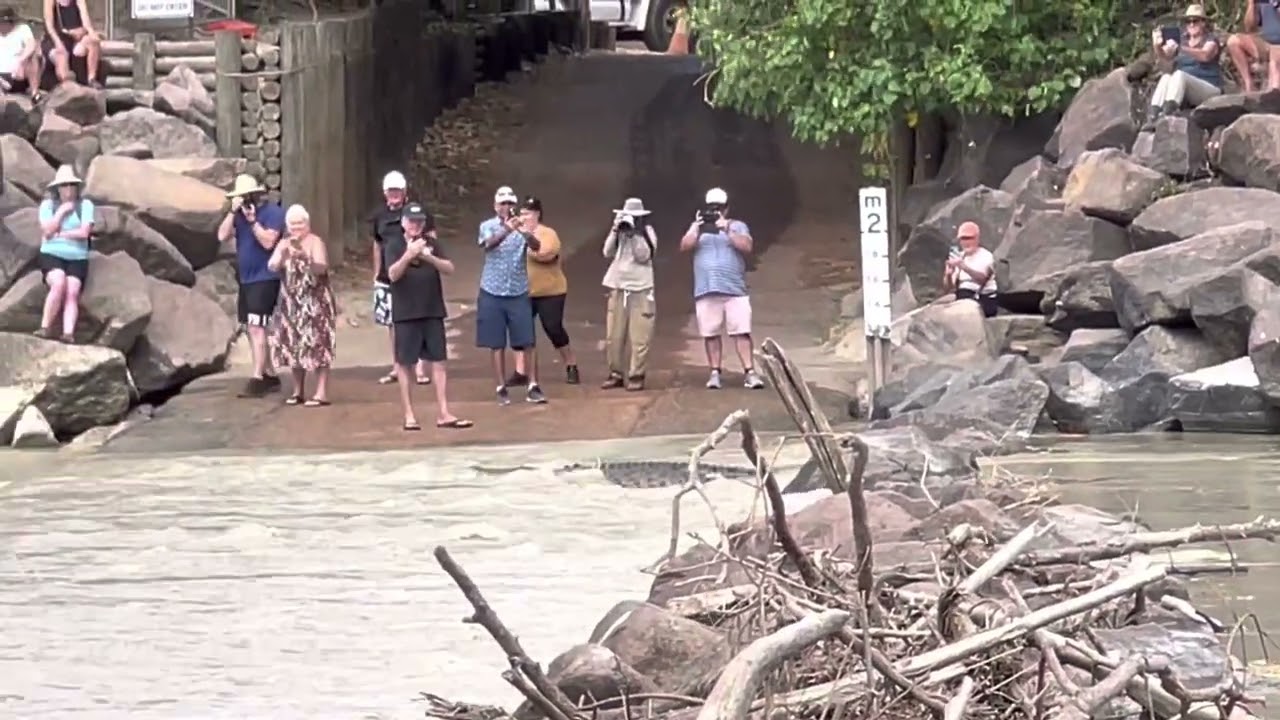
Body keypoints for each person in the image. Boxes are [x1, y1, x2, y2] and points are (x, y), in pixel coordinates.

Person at [386, 202, 472, 431]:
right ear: (403, 222)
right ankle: (409, 414)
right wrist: (409, 255)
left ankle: (444, 412)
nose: (415, 225)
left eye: (419, 222)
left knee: (439, 361)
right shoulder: (393, 244)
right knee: (405, 364)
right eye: (411, 221)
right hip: (405, 313)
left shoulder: (432, 243)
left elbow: (450, 268)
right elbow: (392, 275)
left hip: (432, 310)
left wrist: (428, 257)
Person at [680, 187, 765, 390]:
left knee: (741, 331)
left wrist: (726, 228)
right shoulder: (698, 228)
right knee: (710, 333)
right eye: (711, 208)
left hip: (734, 289)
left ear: (726, 209)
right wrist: (695, 228)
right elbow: (684, 246)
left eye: (718, 208)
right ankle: (715, 372)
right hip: (706, 288)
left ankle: (749, 372)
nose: (715, 211)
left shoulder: (737, 226)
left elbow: (747, 246)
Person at [217, 174, 286, 398]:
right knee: (250, 326)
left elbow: (268, 242)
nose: (245, 201)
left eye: (247, 196)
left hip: (265, 277)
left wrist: (253, 222)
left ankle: (257, 378)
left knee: (258, 326)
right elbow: (221, 236)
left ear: (257, 195)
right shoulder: (237, 215)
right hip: (246, 278)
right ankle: (269, 373)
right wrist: (232, 211)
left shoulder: (273, 213)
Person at [476, 185, 546, 405]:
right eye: (502, 203)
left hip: (517, 291)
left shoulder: (523, 225)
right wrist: (507, 229)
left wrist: (522, 231)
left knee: (528, 340)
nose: (506, 207)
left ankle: (533, 385)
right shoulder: (487, 225)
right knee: (496, 342)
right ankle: (500, 387)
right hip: (492, 291)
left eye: (509, 203)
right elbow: (488, 244)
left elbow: (537, 247)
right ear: (496, 206)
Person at [267, 204, 337, 407]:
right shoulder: (284, 243)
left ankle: (321, 392)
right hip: (291, 304)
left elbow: (322, 267)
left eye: (300, 223)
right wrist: (282, 256)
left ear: (307, 224)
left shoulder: (315, 242)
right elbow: (271, 266)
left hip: (315, 302)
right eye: (292, 224)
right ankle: (298, 391)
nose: (296, 227)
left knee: (319, 344)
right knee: (294, 346)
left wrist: (305, 258)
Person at [508, 195, 580, 387]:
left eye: (528, 214)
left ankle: (570, 364)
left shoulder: (548, 234)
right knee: (519, 329)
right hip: (523, 291)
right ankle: (521, 371)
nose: (524, 218)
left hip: (550, 291)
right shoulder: (513, 234)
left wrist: (525, 236)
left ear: (537, 214)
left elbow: (544, 254)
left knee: (553, 328)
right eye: (522, 214)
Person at [370, 170, 429, 386]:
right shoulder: (379, 216)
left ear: (405, 192)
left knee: (419, 318)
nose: (394, 195)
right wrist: (377, 275)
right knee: (392, 322)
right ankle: (399, 365)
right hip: (388, 276)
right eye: (390, 191)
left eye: (397, 191)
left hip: (414, 274)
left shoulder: (417, 212)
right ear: (385, 193)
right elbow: (377, 244)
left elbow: (430, 238)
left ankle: (420, 367)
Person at [601, 197, 658, 391]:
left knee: (640, 335)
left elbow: (643, 256)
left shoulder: (647, 233)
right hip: (618, 286)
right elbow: (607, 252)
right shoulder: (618, 231)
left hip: (641, 289)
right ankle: (615, 373)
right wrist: (616, 230)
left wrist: (634, 234)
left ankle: (636, 374)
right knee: (614, 335)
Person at [33, 164, 93, 343]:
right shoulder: (48, 206)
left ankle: (68, 333)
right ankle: (45, 327)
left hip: (77, 257)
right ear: (57, 188)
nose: (68, 189)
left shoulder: (85, 205)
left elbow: (84, 233)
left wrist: (63, 234)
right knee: (58, 282)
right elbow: (47, 232)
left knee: (72, 290)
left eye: (71, 185)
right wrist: (61, 212)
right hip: (52, 254)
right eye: (64, 185)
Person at [1147, 5, 1223, 125]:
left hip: (1209, 88)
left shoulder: (1210, 39)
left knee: (1179, 75)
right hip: (1184, 88)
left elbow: (1205, 55)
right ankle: (1153, 115)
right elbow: (1165, 59)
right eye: (1188, 21)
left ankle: (1169, 112)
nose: (1191, 25)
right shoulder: (1182, 39)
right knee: (1166, 77)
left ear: (1203, 23)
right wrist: (1157, 46)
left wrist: (1181, 48)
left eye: (1195, 21)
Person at [942, 221, 998, 318]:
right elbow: (948, 288)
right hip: (963, 297)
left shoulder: (986, 256)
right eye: (963, 239)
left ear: (977, 239)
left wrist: (964, 267)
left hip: (983, 298)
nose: (966, 242)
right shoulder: (959, 256)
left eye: (969, 238)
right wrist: (948, 275)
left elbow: (982, 279)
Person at [42, 0, 100, 88]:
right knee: (61, 55)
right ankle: (66, 85)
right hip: (55, 38)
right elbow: (49, 26)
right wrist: (58, 43)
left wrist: (90, 33)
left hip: (74, 38)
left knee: (92, 42)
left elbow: (86, 24)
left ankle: (91, 79)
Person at [1227, 0, 1280, 92]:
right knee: (1233, 41)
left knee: (1274, 58)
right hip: (1266, 43)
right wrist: (1251, 4)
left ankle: (1273, 93)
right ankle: (1249, 85)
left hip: (1278, 46)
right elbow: (1249, 27)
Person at [0, 7, 43, 102]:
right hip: (2, 74)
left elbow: (31, 45)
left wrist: (21, 60)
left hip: (19, 73)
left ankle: (35, 94)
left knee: (32, 58)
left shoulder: (22, 29)